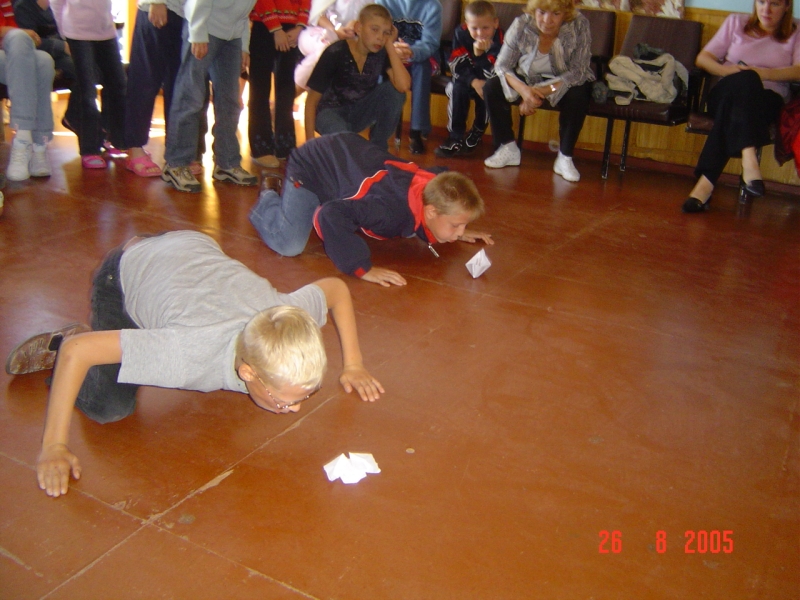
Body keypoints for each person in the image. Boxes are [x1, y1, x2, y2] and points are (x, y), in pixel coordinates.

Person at [3, 230, 384, 498]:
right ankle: (68, 335)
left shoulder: (287, 315)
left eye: (302, 397)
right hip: (124, 273)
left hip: (191, 246)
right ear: (247, 372)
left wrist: (353, 364)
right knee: (110, 408)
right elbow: (79, 353)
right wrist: (54, 446)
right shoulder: (185, 354)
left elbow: (336, 289)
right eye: (284, 401)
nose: (295, 409)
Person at [249, 132, 494, 287]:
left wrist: (458, 226)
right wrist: (360, 267)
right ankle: (269, 193)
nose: (459, 230)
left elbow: (444, 177)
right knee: (289, 244)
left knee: (361, 208)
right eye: (455, 224)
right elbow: (330, 214)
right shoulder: (388, 211)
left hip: (347, 155)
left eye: (461, 225)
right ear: (431, 211)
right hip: (313, 165)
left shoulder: (433, 187)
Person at [682, 0, 800, 213]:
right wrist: (727, 71)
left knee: (744, 92)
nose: (766, 9)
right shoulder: (736, 22)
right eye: (761, 2)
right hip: (726, 92)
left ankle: (705, 185)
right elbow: (703, 59)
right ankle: (748, 157)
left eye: (774, 4)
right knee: (745, 82)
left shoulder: (797, 30)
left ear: (786, 6)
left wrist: (763, 73)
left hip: (767, 101)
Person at [482, 0, 594, 182]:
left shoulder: (579, 25)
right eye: (542, 12)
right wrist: (525, 92)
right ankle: (507, 147)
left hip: (562, 81)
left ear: (566, 13)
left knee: (579, 93)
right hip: (527, 78)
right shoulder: (521, 24)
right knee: (491, 86)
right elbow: (502, 65)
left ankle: (565, 157)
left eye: (556, 14)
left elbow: (578, 71)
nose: (547, 20)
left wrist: (540, 91)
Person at [161, 0, 258, 193]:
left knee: (230, 102)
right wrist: (197, 33)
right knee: (191, 97)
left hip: (233, 37)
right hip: (204, 29)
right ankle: (176, 164)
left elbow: (243, 12)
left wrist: (244, 47)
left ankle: (226, 163)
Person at [304, 3, 409, 150]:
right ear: (359, 28)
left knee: (395, 92)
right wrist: (310, 146)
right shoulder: (336, 52)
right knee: (349, 145)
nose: (380, 37)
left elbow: (403, 86)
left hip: (357, 111)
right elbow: (311, 102)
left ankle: (378, 148)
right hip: (329, 113)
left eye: (386, 33)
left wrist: (390, 46)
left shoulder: (380, 53)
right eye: (374, 30)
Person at [50, 0, 127, 170]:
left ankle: (113, 137)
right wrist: (64, 34)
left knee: (118, 84)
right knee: (87, 90)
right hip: (78, 34)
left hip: (106, 31)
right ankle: (90, 149)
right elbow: (56, 3)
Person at [122, 0, 187, 178]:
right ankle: (135, 149)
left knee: (178, 85)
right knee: (145, 81)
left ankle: (175, 151)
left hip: (184, 14)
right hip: (158, 7)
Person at [435, 0, 503, 158]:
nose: (480, 33)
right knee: (456, 88)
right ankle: (455, 137)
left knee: (489, 90)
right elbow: (456, 64)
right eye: (474, 28)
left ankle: (477, 130)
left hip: (489, 79)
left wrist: (479, 55)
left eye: (485, 28)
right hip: (467, 78)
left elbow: (496, 70)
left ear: (495, 23)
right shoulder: (461, 33)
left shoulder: (500, 38)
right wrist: (473, 81)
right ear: (467, 25)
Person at [247, 0, 309, 169]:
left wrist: (299, 27)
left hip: (291, 29)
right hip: (264, 25)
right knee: (260, 88)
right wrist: (275, 28)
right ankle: (261, 148)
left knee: (286, 89)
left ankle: (285, 144)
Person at [375, 0, 442, 154]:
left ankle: (416, 131)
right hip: (391, 52)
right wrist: (393, 50)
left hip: (422, 56)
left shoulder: (432, 6)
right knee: (379, 64)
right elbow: (377, 33)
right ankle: (378, 126)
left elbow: (430, 43)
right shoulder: (383, 2)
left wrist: (411, 52)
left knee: (422, 67)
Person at [12, 0, 80, 137]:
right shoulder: (23, 7)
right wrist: (62, 46)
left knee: (90, 70)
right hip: (40, 57)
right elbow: (28, 42)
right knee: (80, 70)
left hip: (64, 53)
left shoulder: (59, 5)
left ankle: (76, 116)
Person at [0, 9, 54, 181]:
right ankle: (23, 139)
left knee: (44, 61)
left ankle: (38, 146)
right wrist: (16, 33)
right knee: (19, 36)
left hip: (8, 53)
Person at [294, 0, 370, 90]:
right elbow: (317, 15)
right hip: (320, 31)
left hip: (353, 37)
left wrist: (356, 26)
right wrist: (335, 30)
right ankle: (293, 93)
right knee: (328, 49)